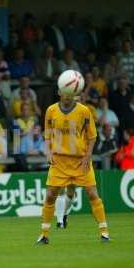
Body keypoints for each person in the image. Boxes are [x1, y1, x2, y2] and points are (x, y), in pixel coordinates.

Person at [37, 72, 110, 245]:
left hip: (80, 160)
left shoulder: (84, 112)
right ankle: (44, 234)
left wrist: (88, 155)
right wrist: (48, 151)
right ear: (59, 93)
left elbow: (92, 136)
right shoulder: (51, 111)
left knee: (92, 194)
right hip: (59, 161)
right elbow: (47, 133)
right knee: (50, 196)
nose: (68, 97)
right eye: (65, 94)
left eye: (71, 95)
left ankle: (104, 232)